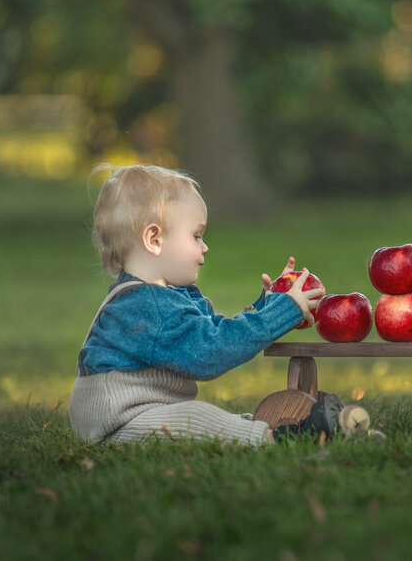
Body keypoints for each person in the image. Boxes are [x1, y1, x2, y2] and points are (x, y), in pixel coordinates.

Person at [69, 164, 369, 446]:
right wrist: (283, 310)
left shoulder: (169, 295)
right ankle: (283, 438)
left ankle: (285, 426)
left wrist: (269, 304)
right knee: (195, 418)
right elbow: (212, 351)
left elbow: (217, 332)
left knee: (201, 418)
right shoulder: (145, 306)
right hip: (118, 423)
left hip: (148, 412)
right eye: (196, 235)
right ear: (154, 240)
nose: (205, 246)